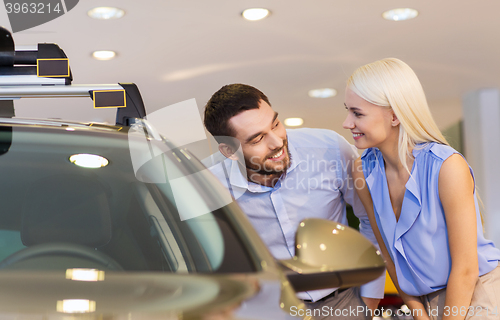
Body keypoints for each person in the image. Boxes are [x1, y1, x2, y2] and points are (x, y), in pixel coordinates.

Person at [203, 83, 385, 319]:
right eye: (257, 138)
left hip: (344, 302)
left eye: (275, 124)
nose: (277, 142)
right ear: (229, 151)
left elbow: (371, 219)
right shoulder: (209, 182)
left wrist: (368, 301)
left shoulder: (329, 148)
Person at [343, 58, 500, 320]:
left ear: (394, 115)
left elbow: (465, 269)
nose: (347, 123)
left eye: (357, 113)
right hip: (422, 301)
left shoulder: (447, 166)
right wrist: (419, 314)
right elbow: (390, 257)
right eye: (348, 111)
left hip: (475, 292)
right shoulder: (363, 171)